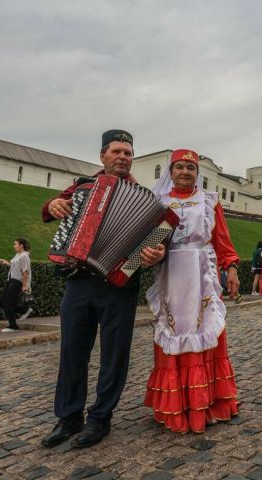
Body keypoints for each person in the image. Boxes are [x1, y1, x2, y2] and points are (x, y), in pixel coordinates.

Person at [40, 129, 166, 449]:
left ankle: (100, 418)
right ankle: (69, 417)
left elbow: (161, 240)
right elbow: (51, 208)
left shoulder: (147, 200)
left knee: (114, 356)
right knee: (72, 353)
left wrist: (153, 254)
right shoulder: (82, 187)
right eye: (116, 152)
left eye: (128, 152)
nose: (123, 157)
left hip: (119, 287)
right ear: (103, 156)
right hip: (78, 281)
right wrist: (54, 204)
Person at [144, 148, 240, 433]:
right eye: (180, 167)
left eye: (191, 168)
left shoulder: (209, 202)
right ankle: (177, 404)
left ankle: (208, 401)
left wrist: (231, 267)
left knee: (206, 329)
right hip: (171, 273)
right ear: (170, 172)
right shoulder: (157, 203)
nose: (185, 172)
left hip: (202, 274)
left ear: (197, 173)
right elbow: (148, 241)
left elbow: (222, 238)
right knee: (173, 331)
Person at [0, 237, 32, 332]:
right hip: (11, 280)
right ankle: (24, 309)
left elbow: (25, 271)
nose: (14, 246)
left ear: (21, 245)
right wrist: (6, 263)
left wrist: (25, 285)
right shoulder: (18, 254)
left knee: (8, 303)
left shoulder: (24, 256)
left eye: (15, 244)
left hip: (18, 282)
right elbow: (16, 267)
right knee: (1, 302)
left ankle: (13, 326)